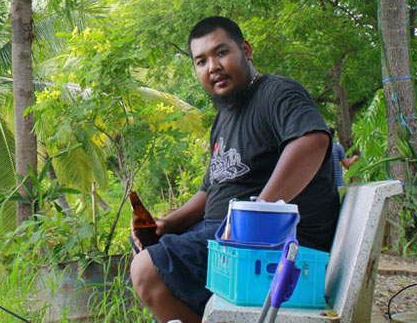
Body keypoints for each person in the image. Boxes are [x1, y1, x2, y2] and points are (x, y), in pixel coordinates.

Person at [130, 16, 339, 323]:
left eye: (221, 53)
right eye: (201, 61)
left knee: (148, 269)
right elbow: (209, 190)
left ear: (246, 50)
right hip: (227, 238)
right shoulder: (223, 119)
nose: (212, 66)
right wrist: (168, 224)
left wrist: (257, 214)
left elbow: (312, 141)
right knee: (149, 247)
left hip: (275, 246)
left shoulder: (278, 93)